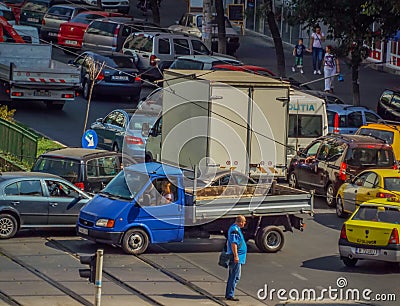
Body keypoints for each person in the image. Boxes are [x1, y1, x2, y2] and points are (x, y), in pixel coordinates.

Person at [225, 215, 247, 302]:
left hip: (238, 257)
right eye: (244, 222)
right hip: (236, 257)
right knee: (235, 276)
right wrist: (236, 256)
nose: (244, 223)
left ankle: (229, 293)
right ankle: (230, 294)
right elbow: (233, 244)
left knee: (234, 275)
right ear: (240, 222)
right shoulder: (234, 230)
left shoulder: (235, 228)